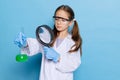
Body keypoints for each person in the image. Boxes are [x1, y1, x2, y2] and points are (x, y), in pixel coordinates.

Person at [14, 5, 82, 80]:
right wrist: (25, 43)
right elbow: (36, 45)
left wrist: (58, 57)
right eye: (57, 19)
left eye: (63, 20)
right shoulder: (47, 36)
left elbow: (74, 64)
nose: (59, 22)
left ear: (70, 22)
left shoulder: (73, 42)